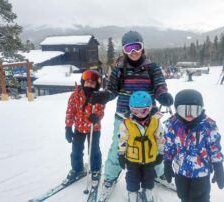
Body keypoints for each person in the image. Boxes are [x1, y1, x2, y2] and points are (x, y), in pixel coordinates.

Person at [89, 30, 174, 201]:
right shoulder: (119, 69)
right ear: (124, 51)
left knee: (156, 145)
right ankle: (111, 177)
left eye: (136, 47)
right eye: (129, 48)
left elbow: (159, 85)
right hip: (124, 117)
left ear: (142, 48)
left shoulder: (152, 68)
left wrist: (162, 95)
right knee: (116, 148)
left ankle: (159, 173)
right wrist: (104, 96)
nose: (133, 52)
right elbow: (112, 90)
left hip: (149, 117)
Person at [163, 89, 224, 202]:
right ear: (177, 109)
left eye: (195, 110)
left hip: (201, 172)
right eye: (184, 110)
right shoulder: (173, 125)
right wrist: (167, 163)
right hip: (181, 171)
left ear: (201, 108)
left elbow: (214, 148)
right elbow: (169, 146)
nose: (190, 114)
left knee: (199, 198)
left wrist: (218, 167)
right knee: (183, 196)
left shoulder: (207, 126)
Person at [118, 91, 164, 202]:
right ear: (130, 109)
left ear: (149, 109)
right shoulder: (126, 123)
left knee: (149, 176)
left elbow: (160, 138)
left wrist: (161, 153)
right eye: (135, 111)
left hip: (150, 157)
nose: (139, 114)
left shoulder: (155, 122)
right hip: (132, 158)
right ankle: (132, 193)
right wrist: (121, 154)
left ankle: (147, 191)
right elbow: (122, 139)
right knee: (132, 177)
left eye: (143, 111)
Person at [65, 70, 105, 183]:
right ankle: (77, 169)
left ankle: (96, 169)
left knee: (94, 150)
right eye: (87, 82)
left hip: (94, 128)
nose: (89, 85)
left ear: (96, 85)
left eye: (92, 83)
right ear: (83, 82)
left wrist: (96, 117)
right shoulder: (75, 95)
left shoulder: (99, 96)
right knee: (76, 150)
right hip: (79, 128)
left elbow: (101, 111)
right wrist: (68, 127)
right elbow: (70, 111)